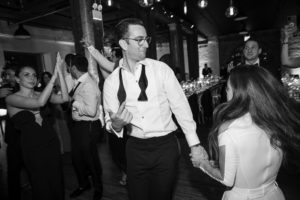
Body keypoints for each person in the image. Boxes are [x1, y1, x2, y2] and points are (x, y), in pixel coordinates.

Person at [103, 18, 207, 200]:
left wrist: (195, 144)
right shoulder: (112, 82)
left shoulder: (161, 70)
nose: (145, 44)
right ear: (123, 44)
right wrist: (117, 125)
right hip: (135, 148)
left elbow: (180, 106)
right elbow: (109, 122)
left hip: (165, 146)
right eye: (139, 39)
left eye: (146, 39)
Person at [192, 65, 300, 200]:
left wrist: (202, 163)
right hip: (274, 194)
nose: (226, 92)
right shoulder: (276, 121)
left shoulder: (229, 129)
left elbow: (227, 179)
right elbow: (249, 162)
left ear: (239, 93)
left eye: (228, 88)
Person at [5, 53, 68, 200]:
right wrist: (53, 79)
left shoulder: (41, 93)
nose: (32, 78)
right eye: (26, 75)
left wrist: (60, 74)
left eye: (34, 75)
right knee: (40, 182)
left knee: (56, 178)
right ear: (17, 79)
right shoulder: (11, 98)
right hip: (32, 146)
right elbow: (39, 103)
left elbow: (64, 98)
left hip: (51, 142)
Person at [68, 55, 103, 200]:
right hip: (79, 126)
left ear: (74, 68)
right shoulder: (80, 81)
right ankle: (84, 184)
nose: (68, 69)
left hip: (88, 126)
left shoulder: (88, 84)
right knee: (77, 158)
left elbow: (91, 111)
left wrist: (74, 102)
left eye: (69, 67)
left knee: (90, 159)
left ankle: (98, 188)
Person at [0, 64, 24, 200]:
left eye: (11, 75)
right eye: (7, 75)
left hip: (28, 135)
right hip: (13, 136)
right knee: (13, 171)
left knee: (34, 168)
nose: (9, 78)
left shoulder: (25, 88)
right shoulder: (3, 90)